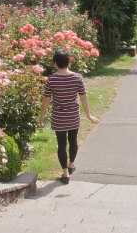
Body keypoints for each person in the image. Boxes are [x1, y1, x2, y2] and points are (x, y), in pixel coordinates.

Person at [38, 48, 99, 184]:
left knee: (61, 144)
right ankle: (71, 165)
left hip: (59, 117)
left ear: (55, 63)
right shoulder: (77, 77)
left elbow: (46, 100)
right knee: (73, 141)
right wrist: (89, 115)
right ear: (68, 62)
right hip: (73, 116)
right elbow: (83, 97)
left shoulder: (51, 80)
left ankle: (65, 173)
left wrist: (42, 116)